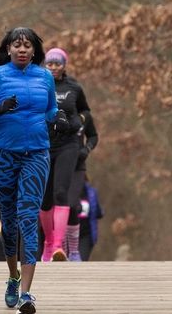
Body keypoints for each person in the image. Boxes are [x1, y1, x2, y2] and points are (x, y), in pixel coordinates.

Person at [0, 27, 60, 314]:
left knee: (28, 216)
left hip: (36, 153)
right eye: (17, 45)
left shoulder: (45, 76)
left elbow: (48, 111)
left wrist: (57, 117)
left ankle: (27, 294)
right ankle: (13, 276)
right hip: (3, 155)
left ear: (34, 50)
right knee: (8, 220)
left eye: (27, 46)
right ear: (8, 48)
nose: (22, 50)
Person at [39, 48, 91, 262]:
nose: (53, 67)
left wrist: (79, 122)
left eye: (57, 63)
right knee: (44, 199)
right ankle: (49, 243)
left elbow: (85, 112)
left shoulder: (74, 88)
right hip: (43, 144)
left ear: (64, 65)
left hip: (68, 145)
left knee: (61, 193)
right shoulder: (38, 85)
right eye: (49, 63)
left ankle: (59, 246)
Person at [70, 111, 99, 261]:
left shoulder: (91, 192)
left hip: (85, 235)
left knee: (80, 262)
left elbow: (98, 213)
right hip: (66, 232)